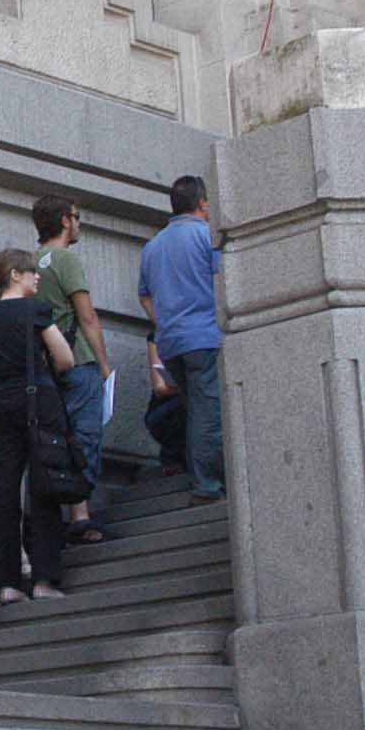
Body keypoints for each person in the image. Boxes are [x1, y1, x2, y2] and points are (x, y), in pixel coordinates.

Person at [0, 250, 78, 601]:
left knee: (4, 488)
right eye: (32, 273)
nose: (38, 278)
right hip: (38, 401)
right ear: (15, 274)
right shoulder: (35, 311)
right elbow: (65, 359)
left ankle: (5, 584)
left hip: (2, 404)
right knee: (43, 485)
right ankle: (44, 580)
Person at [137, 175, 225, 501]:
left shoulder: (154, 245)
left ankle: (200, 474)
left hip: (171, 342)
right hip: (203, 336)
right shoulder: (206, 235)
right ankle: (208, 485)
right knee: (209, 413)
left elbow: (144, 295)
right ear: (202, 203)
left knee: (195, 410)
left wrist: (166, 322)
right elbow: (222, 281)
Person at [30, 195, 109, 538]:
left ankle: (78, 515)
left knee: (61, 438)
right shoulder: (66, 259)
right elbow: (87, 315)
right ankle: (80, 510)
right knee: (86, 435)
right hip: (77, 359)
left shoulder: (30, 263)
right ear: (65, 220)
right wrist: (104, 364)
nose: (79, 223)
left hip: (46, 365)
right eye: (77, 217)